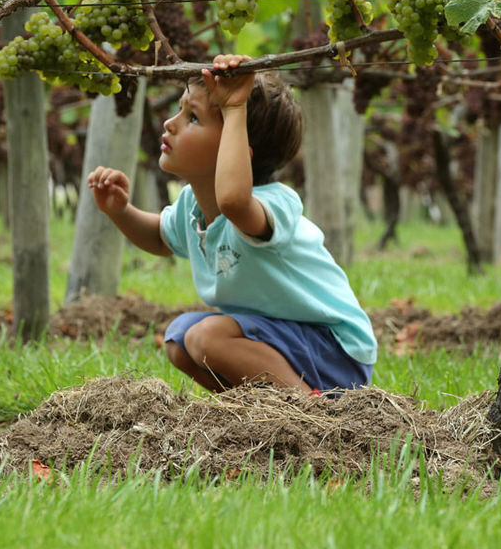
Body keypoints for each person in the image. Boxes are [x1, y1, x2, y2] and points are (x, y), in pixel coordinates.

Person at [86, 54, 376, 394]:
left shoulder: (274, 203)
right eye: (180, 110)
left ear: (237, 150)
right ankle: (256, 408)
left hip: (334, 349)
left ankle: (309, 411)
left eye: (193, 117)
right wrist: (121, 211)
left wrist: (235, 109)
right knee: (180, 339)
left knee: (206, 337)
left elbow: (234, 202)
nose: (171, 123)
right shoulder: (191, 207)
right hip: (281, 339)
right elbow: (159, 238)